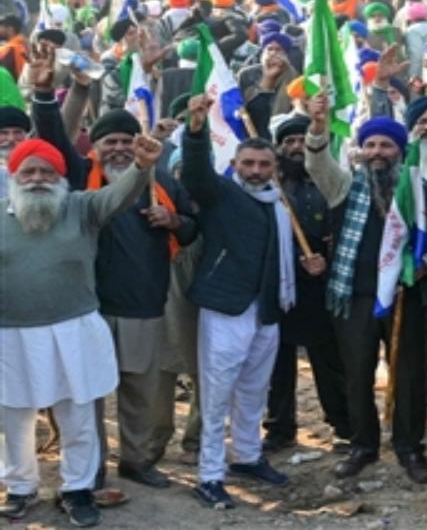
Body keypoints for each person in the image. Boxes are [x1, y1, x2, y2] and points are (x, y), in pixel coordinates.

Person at [1, 135, 161, 527]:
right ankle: (20, 487)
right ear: (13, 176)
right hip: (11, 334)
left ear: (61, 177)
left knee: (78, 414)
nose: (37, 178)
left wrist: (141, 167)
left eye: (46, 171)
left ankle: (77, 488)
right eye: (29, 171)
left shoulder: (81, 208)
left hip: (73, 330)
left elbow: (118, 196)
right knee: (14, 416)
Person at [304, 98, 427, 484]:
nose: (378, 153)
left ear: (400, 151)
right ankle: (363, 445)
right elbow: (316, 164)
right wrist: (316, 128)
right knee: (356, 373)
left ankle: (410, 447)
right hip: (355, 297)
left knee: (409, 375)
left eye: (386, 146)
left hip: (403, 297)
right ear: (361, 150)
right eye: (371, 145)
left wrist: (421, 268)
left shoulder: (417, 188)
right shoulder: (345, 185)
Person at [182, 95, 295, 508]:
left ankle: (247, 456)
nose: (256, 171)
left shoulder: (281, 204)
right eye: (248, 164)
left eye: (264, 165)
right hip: (225, 306)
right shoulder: (221, 194)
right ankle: (209, 475)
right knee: (216, 396)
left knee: (253, 391)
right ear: (235, 164)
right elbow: (195, 175)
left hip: (267, 309)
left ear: (274, 169)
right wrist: (195, 132)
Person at [262, 115, 350, 453]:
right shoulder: (271, 186)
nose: (297, 147)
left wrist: (326, 261)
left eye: (302, 140)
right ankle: (279, 427)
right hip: (281, 285)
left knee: (328, 362)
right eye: (290, 142)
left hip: (319, 286)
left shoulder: (331, 183)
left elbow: (344, 232)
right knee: (278, 364)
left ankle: (342, 425)